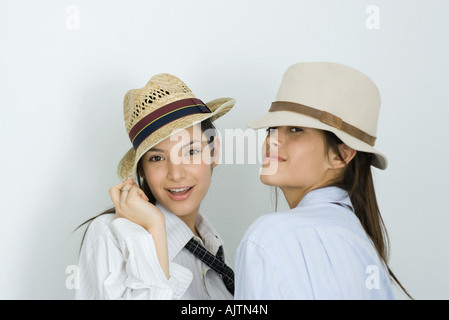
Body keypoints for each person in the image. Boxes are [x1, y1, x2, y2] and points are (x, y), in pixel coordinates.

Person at [235, 62, 411, 299]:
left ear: (342, 154)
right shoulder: (364, 246)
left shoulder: (267, 238)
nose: (272, 140)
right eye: (272, 128)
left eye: (296, 129)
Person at [75, 73, 236, 299]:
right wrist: (154, 228)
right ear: (141, 169)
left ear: (214, 151)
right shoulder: (112, 234)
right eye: (157, 158)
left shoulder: (212, 245)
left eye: (190, 152)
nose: (176, 174)